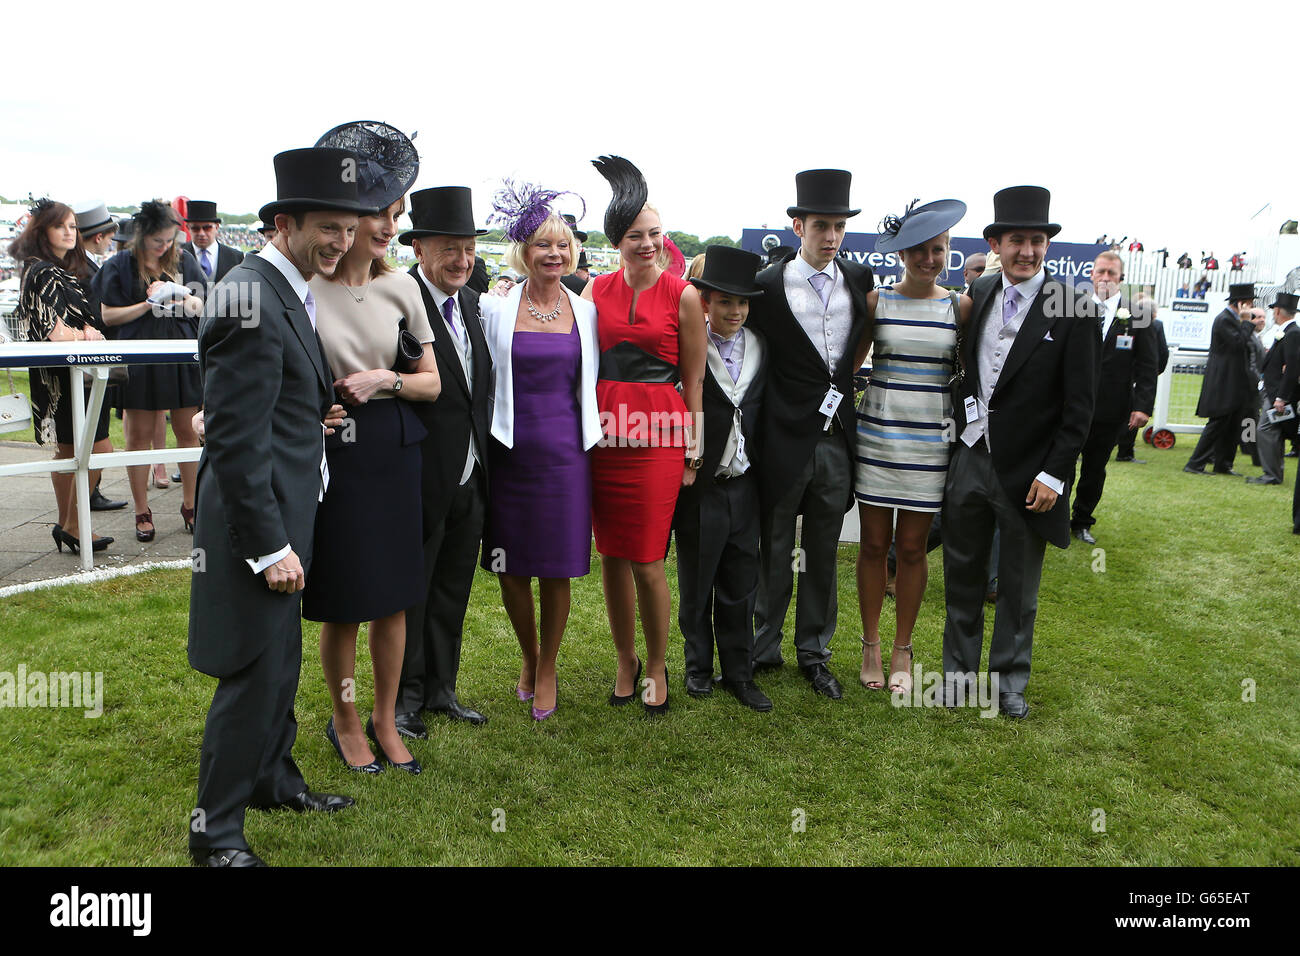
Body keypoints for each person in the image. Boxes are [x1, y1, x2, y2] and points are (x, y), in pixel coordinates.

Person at [188, 146, 375, 867]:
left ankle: (274, 780)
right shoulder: (251, 293)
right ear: (284, 222)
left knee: (281, 662)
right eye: (328, 228)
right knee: (250, 673)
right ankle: (215, 837)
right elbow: (232, 439)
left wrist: (310, 417)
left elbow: (265, 408)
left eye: (349, 229)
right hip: (255, 525)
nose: (341, 242)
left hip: (288, 507)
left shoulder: (283, 286)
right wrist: (267, 546)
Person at [303, 122, 434, 774]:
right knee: (347, 600)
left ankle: (386, 719)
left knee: (393, 596)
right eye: (381, 213)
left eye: (398, 214)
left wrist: (387, 377)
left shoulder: (404, 288)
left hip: (396, 448)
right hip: (339, 455)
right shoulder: (306, 290)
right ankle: (346, 719)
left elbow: (432, 383)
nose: (390, 225)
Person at [942, 186, 1101, 719]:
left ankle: (1008, 681)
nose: (1027, 251)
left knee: (1016, 584)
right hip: (970, 457)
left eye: (1036, 241)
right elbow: (963, 370)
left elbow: (1081, 407)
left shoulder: (1074, 305)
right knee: (962, 574)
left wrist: (1055, 476)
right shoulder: (979, 293)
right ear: (995, 243)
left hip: (1029, 471)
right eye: (1017, 240)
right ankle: (958, 676)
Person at [583, 155, 706, 715]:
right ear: (617, 239)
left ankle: (657, 663)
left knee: (649, 557)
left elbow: (695, 378)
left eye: (655, 233)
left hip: (659, 435)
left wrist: (693, 445)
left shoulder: (684, 295)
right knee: (610, 554)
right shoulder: (593, 292)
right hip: (603, 434)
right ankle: (625, 658)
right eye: (636, 235)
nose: (649, 243)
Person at [746, 169, 874, 699]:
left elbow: (856, 350)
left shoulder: (860, 280)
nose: (831, 236)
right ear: (799, 225)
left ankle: (815, 653)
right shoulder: (766, 285)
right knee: (774, 545)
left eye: (839, 226)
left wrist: (842, 391)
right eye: (822, 225)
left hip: (837, 436)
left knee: (824, 548)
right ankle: (763, 645)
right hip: (782, 436)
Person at [479, 189, 601, 721]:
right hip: (511, 452)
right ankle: (527, 655)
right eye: (542, 244)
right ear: (523, 252)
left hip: (567, 457)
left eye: (562, 244)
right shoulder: (496, 310)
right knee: (510, 568)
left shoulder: (588, 314)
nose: (554, 253)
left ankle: (547, 664)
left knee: (556, 568)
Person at [852, 199, 969, 696]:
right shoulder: (877, 302)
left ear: (949, 252)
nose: (928, 259)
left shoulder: (959, 306)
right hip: (877, 437)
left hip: (931, 446)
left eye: (937, 249)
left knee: (914, 548)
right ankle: (871, 644)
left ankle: (904, 647)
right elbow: (848, 368)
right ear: (902, 253)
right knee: (875, 545)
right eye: (919, 250)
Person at [395, 186, 492, 734]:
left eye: (469, 248)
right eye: (450, 249)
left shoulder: (475, 305)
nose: (461, 261)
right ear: (421, 249)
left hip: (472, 473)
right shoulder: (399, 300)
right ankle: (404, 697)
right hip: (419, 472)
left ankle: (441, 689)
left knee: (453, 585)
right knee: (414, 588)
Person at [674, 245, 772, 711]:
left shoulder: (760, 347)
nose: (735, 311)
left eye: (743, 303)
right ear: (705, 303)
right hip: (701, 485)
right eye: (725, 302)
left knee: (741, 581)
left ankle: (739, 671)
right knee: (697, 579)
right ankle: (698, 668)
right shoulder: (689, 346)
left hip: (744, 484)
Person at [92, 200, 205, 542]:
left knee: (188, 432)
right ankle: (142, 511)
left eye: (170, 240)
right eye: (159, 241)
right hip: (139, 355)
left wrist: (181, 297)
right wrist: (147, 304)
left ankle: (191, 505)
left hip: (180, 354)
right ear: (141, 237)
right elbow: (108, 316)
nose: (165, 247)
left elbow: (202, 305)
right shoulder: (119, 265)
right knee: (138, 438)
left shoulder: (184, 260)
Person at [8, 198, 116, 553]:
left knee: (70, 449)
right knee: (96, 448)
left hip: (65, 374)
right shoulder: (43, 271)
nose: (70, 232)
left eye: (73, 226)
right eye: (61, 226)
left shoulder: (49, 268)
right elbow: (51, 332)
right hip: (64, 375)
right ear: (43, 232)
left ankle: (71, 524)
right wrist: (87, 334)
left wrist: (85, 328)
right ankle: (72, 523)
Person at [1069, 251, 1159, 543]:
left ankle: (1082, 521)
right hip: (1070, 405)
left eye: (1112, 273)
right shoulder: (1072, 309)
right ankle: (1053, 519)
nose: (1106, 278)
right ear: (1092, 274)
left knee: (1095, 468)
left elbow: (1148, 365)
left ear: (1121, 278)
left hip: (1111, 407)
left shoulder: (1138, 316)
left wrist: (1143, 406)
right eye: (1101, 272)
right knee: (1061, 462)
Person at [71, 200, 127, 512]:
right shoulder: (86, 269)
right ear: (98, 237)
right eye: (108, 237)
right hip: (90, 361)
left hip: (92, 360)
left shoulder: (86, 266)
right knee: (95, 435)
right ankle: (82, 499)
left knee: (94, 433)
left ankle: (88, 494)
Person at [1184, 283, 1261, 476]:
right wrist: (1247, 323)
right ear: (1242, 304)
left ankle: (1224, 464)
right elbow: (1237, 343)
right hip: (1224, 381)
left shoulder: (1231, 319)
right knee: (1218, 422)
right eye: (1250, 303)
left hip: (1235, 382)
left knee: (1234, 425)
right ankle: (1195, 463)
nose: (1251, 308)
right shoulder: (1224, 320)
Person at [1249, 292, 1299, 486]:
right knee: (1273, 431)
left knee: (1264, 429)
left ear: (1277, 311)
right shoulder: (1287, 332)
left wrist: (1282, 397)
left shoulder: (1292, 333)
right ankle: (1273, 473)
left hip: (1278, 393)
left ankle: (1271, 474)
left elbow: (1293, 367)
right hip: (1273, 390)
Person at [1115, 295, 1169, 463]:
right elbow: (1161, 352)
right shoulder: (1156, 325)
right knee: (1131, 412)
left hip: (1126, 374)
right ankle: (1125, 451)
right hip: (1137, 377)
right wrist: (1154, 373)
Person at [182, 201, 243, 284]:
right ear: (188, 228)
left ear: (217, 227)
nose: (201, 233)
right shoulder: (177, 254)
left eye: (207, 228)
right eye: (195, 228)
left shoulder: (236, 257)